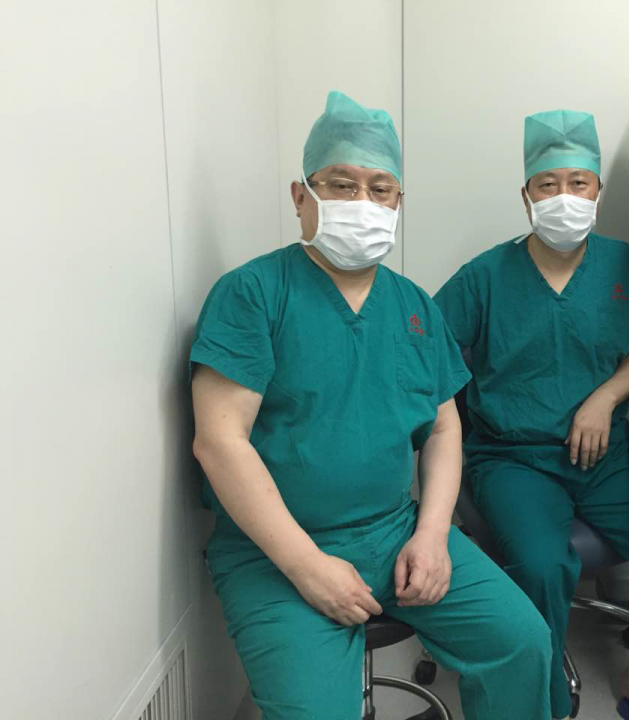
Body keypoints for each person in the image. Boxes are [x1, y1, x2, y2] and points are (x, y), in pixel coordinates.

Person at [190, 90, 552, 720]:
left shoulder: (414, 307)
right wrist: (307, 566)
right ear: (301, 196)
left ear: (398, 202)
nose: (363, 202)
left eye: (380, 189)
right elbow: (220, 441)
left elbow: (444, 428)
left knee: (522, 643)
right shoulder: (253, 294)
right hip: (275, 549)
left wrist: (433, 534)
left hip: (395, 531)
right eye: (341, 184)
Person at [434, 108, 629, 720]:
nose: (564, 197)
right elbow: (431, 357)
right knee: (541, 565)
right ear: (527, 196)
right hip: (512, 458)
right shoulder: (485, 276)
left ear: (597, 191)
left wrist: (603, 398)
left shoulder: (625, 268)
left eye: (577, 183)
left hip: (606, 458)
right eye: (548, 184)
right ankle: (543, 698)